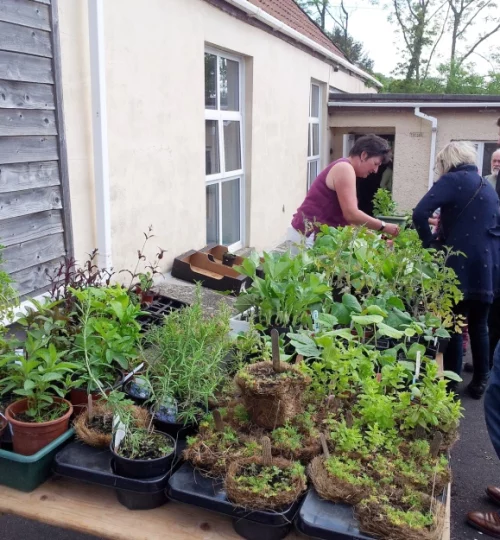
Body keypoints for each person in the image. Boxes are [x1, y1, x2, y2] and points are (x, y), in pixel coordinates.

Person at [412, 141, 500, 399]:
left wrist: (429, 244)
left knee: (452, 324)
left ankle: (450, 382)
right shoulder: (487, 185)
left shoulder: (452, 180)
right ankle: (481, 380)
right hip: (488, 265)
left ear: (447, 162)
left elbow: (420, 213)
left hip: (458, 266)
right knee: (479, 324)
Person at [289, 134, 400, 247]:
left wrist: (378, 239)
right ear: (364, 155)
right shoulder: (344, 168)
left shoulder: (346, 168)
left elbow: (350, 223)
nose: (376, 170)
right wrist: (384, 226)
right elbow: (351, 214)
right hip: (306, 235)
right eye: (375, 164)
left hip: (309, 235)